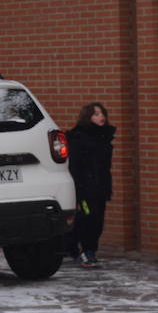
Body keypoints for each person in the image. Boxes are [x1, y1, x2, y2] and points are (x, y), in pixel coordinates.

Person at [65, 102, 116, 267]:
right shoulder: (78, 137)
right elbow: (74, 165)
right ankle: (86, 251)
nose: (101, 117)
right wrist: (79, 188)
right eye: (96, 114)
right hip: (85, 187)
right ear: (88, 117)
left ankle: (82, 248)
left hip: (100, 186)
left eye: (102, 113)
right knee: (88, 217)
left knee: (98, 219)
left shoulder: (104, 137)